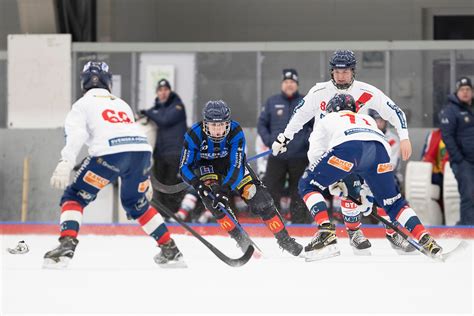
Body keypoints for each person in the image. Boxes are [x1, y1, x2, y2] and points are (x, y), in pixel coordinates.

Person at [45, 61, 185, 268]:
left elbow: (77, 135)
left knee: (74, 196)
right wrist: (144, 177)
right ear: (108, 81)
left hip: (110, 155)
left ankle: (66, 245)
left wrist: (66, 161)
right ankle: (170, 249)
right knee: (136, 204)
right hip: (141, 154)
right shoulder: (121, 103)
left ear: (84, 83)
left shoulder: (81, 105)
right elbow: (134, 136)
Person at [272, 50, 413, 253]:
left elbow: (394, 111)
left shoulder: (367, 91)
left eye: (345, 71)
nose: (341, 76)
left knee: (379, 190)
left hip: (360, 146)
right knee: (348, 189)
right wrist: (285, 137)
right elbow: (300, 114)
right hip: (329, 149)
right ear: (331, 72)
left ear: (353, 71)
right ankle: (352, 232)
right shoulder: (319, 91)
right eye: (337, 71)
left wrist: (405, 136)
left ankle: (392, 233)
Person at [298, 94, 442, 260]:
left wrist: (329, 179)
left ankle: (326, 233)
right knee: (394, 203)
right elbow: (365, 155)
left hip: (349, 148)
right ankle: (426, 239)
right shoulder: (367, 119)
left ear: (332, 109)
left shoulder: (327, 118)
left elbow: (315, 153)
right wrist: (363, 190)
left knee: (307, 185)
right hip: (379, 151)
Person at [179, 100, 303, 256]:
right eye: (213, 125)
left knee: (261, 200)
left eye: (221, 125)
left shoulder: (236, 130)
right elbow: (184, 167)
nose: (217, 131)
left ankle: (285, 240)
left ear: (228, 123)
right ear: (205, 124)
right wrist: (197, 184)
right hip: (207, 168)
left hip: (231, 166)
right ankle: (242, 242)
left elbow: (236, 166)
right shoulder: (193, 134)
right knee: (215, 204)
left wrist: (224, 190)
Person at [257, 69, 312, 223]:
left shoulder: (305, 102)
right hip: (277, 156)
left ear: (297, 84)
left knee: (300, 191)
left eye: (292, 82)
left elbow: (316, 126)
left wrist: (305, 142)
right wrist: (269, 141)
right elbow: (262, 124)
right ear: (282, 84)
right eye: (286, 82)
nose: (289, 85)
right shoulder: (271, 102)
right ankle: (273, 222)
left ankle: (300, 223)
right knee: (271, 189)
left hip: (300, 157)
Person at [142, 79, 187, 215]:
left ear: (170, 91)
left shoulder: (177, 106)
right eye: (160, 90)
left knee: (171, 185)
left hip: (175, 153)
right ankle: (162, 215)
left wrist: (147, 113)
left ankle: (174, 214)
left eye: (166, 90)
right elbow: (157, 116)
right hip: (160, 154)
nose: (163, 93)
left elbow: (165, 120)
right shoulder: (157, 109)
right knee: (160, 186)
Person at [439, 76, 474, 225]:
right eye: (462, 90)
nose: (465, 92)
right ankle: (468, 230)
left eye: (468, 89)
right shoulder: (450, 111)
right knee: (469, 195)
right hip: (463, 162)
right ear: (457, 92)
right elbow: (447, 137)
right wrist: (459, 159)